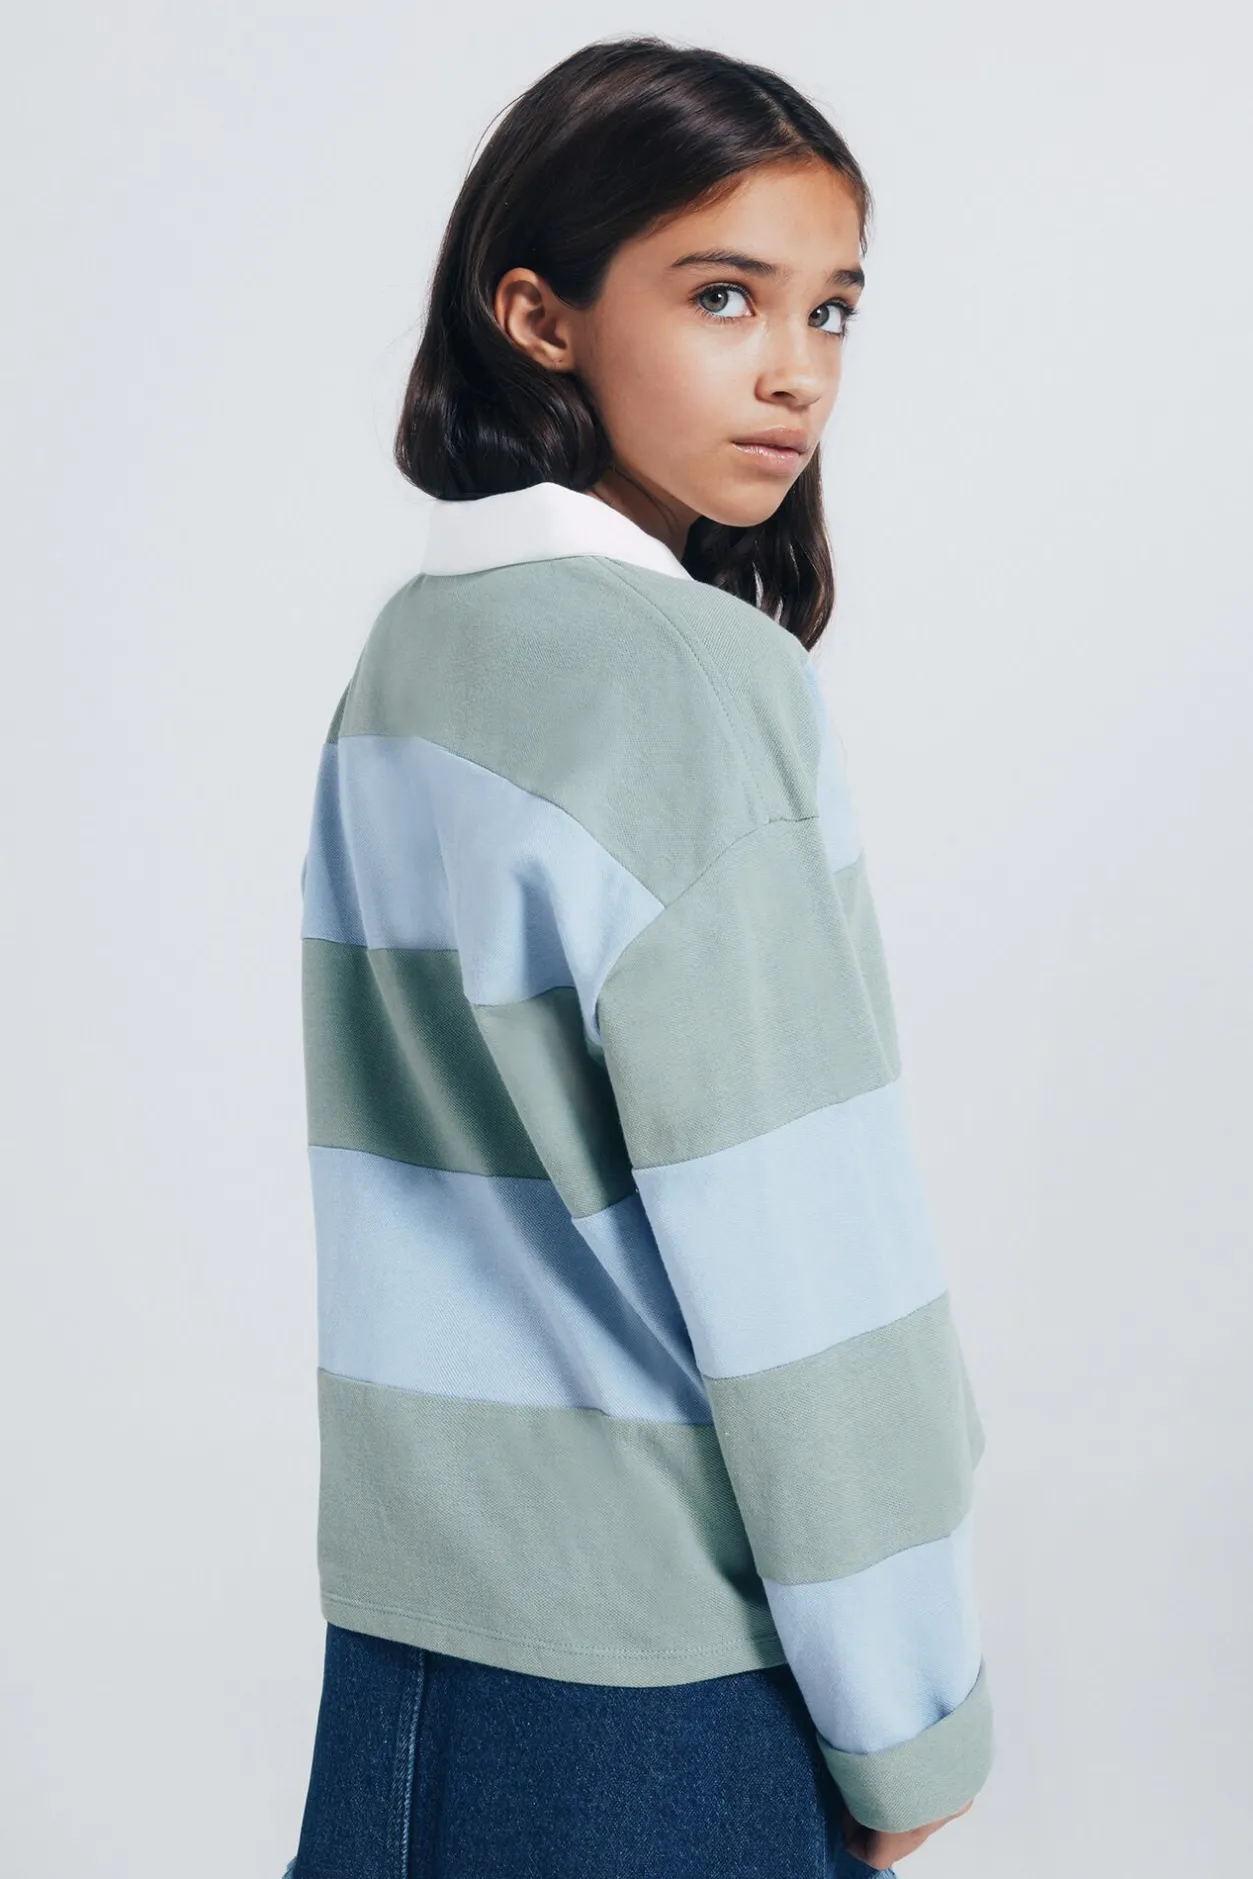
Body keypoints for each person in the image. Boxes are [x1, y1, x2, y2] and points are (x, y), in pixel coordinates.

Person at [284, 34, 994, 1879]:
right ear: (538, 315)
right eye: (722, 295)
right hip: (657, 1699)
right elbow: (802, 1248)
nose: (795, 368)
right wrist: (912, 1713)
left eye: (832, 310)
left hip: (404, 1668)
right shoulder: (692, 680)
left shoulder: (410, 656)